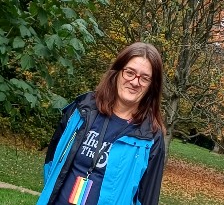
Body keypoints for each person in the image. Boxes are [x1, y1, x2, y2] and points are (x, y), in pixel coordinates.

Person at [37, 42, 165, 205]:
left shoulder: (150, 137)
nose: (135, 82)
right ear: (117, 72)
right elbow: (51, 162)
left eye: (145, 78)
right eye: (129, 72)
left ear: (152, 86)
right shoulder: (82, 109)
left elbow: (147, 198)